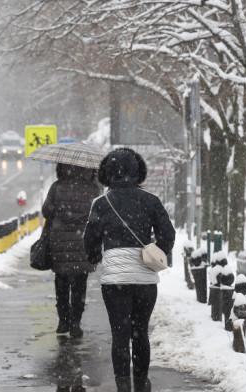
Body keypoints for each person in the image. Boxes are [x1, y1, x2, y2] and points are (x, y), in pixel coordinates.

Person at [83, 148, 175, 392]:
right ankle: (142, 382)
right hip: (145, 279)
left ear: (108, 173)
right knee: (140, 332)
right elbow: (168, 235)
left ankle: (122, 384)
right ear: (137, 172)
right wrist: (156, 252)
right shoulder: (150, 200)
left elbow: (90, 239)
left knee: (120, 335)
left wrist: (95, 256)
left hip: (115, 281)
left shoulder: (101, 204)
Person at [42, 163, 100, 338]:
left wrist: (60, 214)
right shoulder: (92, 189)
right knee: (79, 284)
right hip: (82, 241)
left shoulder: (57, 187)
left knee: (61, 281)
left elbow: (46, 211)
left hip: (60, 241)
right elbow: (97, 215)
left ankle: (62, 321)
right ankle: (75, 324)